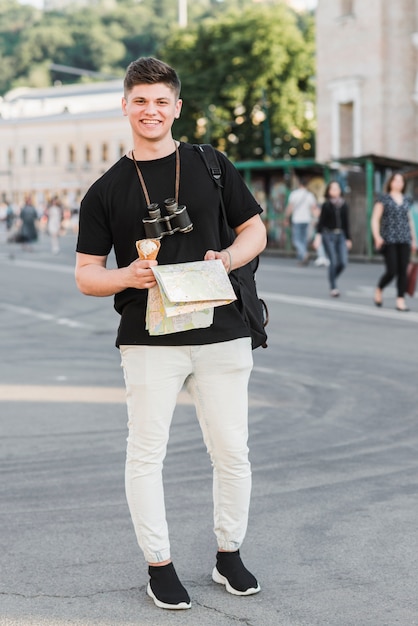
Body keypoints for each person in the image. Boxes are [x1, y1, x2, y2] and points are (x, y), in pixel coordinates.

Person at [75, 57, 266, 611]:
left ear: (177, 107)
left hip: (222, 329)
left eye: (161, 101)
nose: (151, 110)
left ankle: (229, 555)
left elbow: (255, 229)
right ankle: (159, 564)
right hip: (147, 336)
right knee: (146, 454)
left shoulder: (210, 163)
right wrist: (125, 275)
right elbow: (87, 273)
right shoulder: (105, 190)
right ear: (125, 106)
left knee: (232, 451)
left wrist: (227, 258)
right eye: (140, 101)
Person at [371, 172, 417, 311]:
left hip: (404, 238)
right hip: (388, 239)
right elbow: (375, 219)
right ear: (390, 182)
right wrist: (377, 237)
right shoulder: (383, 198)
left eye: (401, 181)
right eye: (395, 180)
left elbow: (409, 220)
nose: (398, 183)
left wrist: (414, 239)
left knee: (403, 271)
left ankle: (400, 300)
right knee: (392, 270)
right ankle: (379, 288)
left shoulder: (407, 199)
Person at [313, 181, 352, 297]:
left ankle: (332, 277)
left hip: (341, 235)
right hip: (328, 235)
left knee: (343, 262)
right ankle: (333, 287)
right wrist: (318, 237)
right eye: (332, 189)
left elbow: (346, 223)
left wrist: (348, 239)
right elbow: (321, 223)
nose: (335, 191)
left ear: (340, 190)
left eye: (337, 188)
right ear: (328, 191)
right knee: (333, 261)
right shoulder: (326, 205)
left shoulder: (344, 205)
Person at [284, 176, 317, 265]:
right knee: (303, 240)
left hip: (297, 220)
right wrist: (315, 219)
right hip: (307, 219)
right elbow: (313, 208)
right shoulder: (310, 195)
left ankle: (304, 254)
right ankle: (302, 258)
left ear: (299, 184)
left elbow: (290, 207)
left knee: (296, 240)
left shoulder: (294, 194)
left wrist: (286, 218)